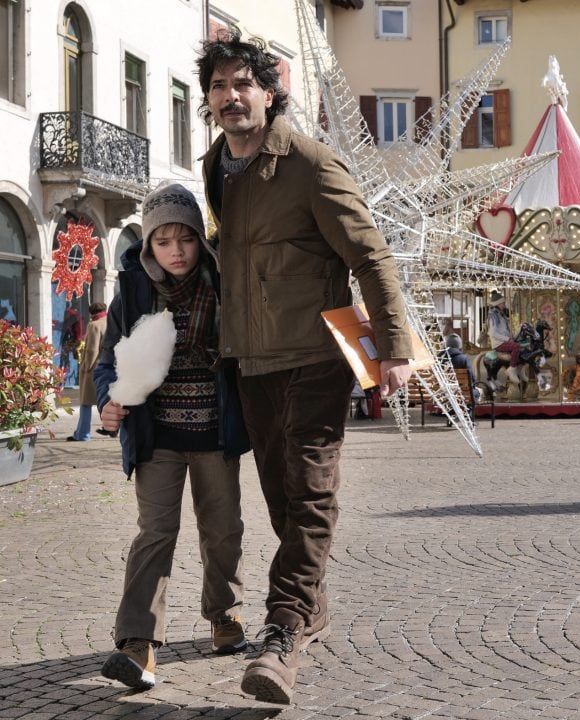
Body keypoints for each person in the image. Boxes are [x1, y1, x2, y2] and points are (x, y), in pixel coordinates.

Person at [195, 32, 414, 704]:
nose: (231, 97)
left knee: (312, 491)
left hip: (318, 356)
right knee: (283, 500)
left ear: (270, 92)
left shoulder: (312, 165)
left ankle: (283, 631)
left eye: (243, 84)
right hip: (251, 360)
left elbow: (369, 256)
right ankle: (311, 608)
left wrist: (396, 347)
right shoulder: (215, 167)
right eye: (219, 86)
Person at [94, 183, 251, 690]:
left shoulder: (225, 282)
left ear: (199, 240)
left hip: (215, 433)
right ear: (149, 246)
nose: (176, 251)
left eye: (185, 239)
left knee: (222, 530)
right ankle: (138, 643)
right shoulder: (134, 291)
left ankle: (225, 613)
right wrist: (109, 401)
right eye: (163, 241)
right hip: (156, 437)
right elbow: (107, 363)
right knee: (155, 534)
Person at [66, 301, 107, 441]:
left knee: (85, 402)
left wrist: (85, 367)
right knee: (108, 401)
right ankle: (112, 429)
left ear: (92, 313)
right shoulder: (111, 322)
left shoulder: (94, 325)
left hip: (94, 368)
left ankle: (83, 434)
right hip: (108, 366)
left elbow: (92, 350)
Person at [486, 292, 522, 383]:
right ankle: (512, 369)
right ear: (498, 304)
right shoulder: (493, 316)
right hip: (498, 343)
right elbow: (492, 333)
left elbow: (504, 331)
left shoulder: (500, 315)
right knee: (516, 346)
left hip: (503, 341)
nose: (504, 305)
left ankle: (518, 370)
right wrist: (508, 339)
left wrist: (515, 333)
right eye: (503, 303)